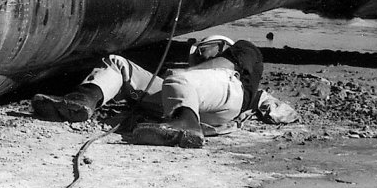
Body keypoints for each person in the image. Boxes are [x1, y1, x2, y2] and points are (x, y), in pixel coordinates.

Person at [30, 38, 293, 148]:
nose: (197, 54)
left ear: (222, 45)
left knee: (179, 79)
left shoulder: (243, 51)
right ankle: (82, 101)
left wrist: (184, 72)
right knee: (119, 64)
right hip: (183, 100)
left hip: (221, 95)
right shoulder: (184, 78)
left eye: (203, 49)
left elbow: (226, 72)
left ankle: (185, 126)